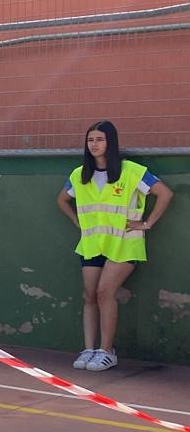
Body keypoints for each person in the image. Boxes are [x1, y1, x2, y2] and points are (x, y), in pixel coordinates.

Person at [57, 120, 173, 371]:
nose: (94, 144)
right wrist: (77, 222)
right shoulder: (79, 174)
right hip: (91, 244)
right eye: (90, 140)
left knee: (104, 292)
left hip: (124, 244)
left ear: (111, 142)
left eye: (99, 139)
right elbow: (62, 200)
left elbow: (164, 193)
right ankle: (89, 349)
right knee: (89, 296)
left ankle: (107, 351)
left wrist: (147, 223)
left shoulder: (131, 171)